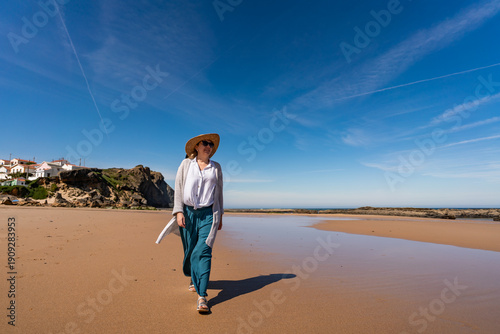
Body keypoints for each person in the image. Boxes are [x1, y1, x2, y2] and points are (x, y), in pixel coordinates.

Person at [172, 133, 223, 313]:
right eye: (205, 143)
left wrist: (220, 217)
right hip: (187, 213)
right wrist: (178, 211)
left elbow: (219, 194)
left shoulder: (216, 168)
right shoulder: (186, 165)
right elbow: (178, 188)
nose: (208, 146)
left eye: (211, 144)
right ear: (196, 147)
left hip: (208, 214)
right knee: (190, 250)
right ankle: (193, 278)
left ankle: (202, 296)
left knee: (203, 251)